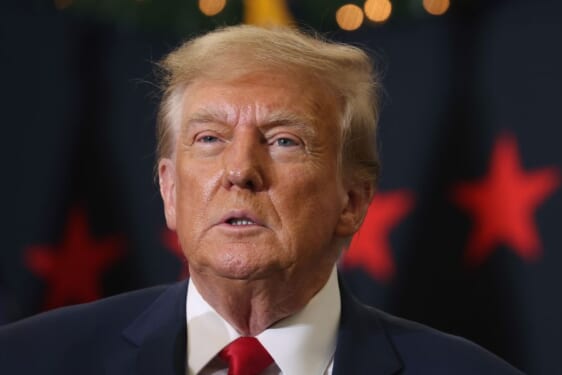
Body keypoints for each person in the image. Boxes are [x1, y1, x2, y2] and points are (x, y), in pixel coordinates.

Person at [0, 25, 523, 374]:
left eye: (283, 141)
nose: (239, 170)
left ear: (353, 201)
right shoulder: (29, 359)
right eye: (209, 138)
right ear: (169, 189)